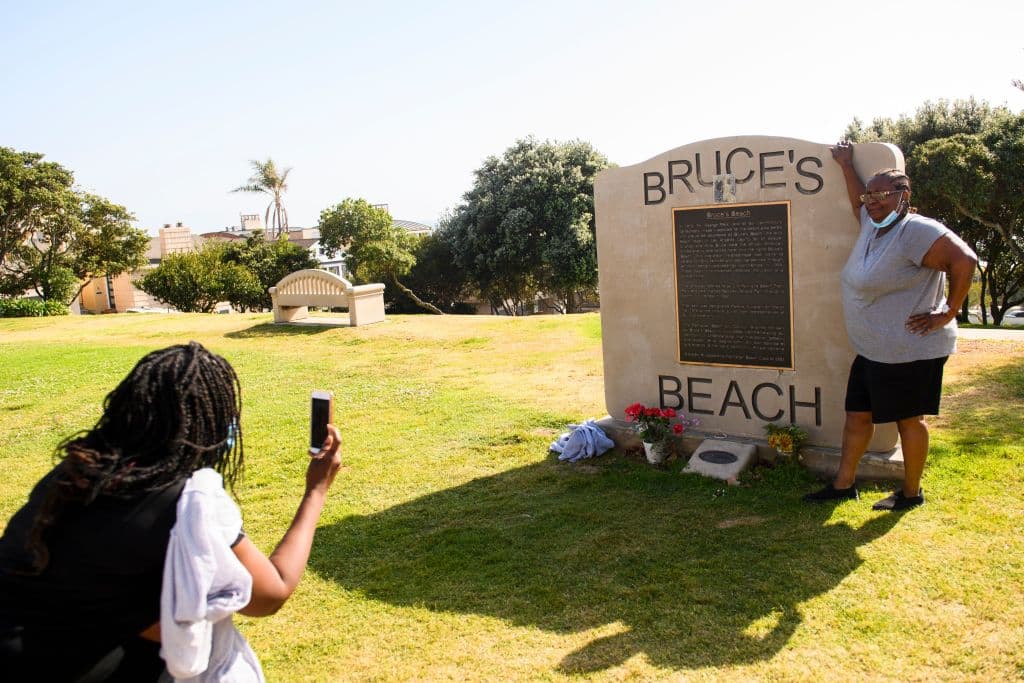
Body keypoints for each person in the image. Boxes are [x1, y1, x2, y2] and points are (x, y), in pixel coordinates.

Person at [0, 342, 342, 680]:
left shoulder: (72, 474)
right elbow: (271, 593)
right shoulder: (184, 501)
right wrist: (316, 490)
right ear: (206, 427)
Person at [804, 142, 977, 511]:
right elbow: (857, 205)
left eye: (882, 194)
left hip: (908, 349)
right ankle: (843, 485)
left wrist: (948, 312)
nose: (873, 201)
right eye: (871, 195)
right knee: (857, 416)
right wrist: (846, 165)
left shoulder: (916, 231)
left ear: (904, 195)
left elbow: (965, 260)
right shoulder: (873, 224)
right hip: (873, 349)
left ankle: (911, 493)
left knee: (908, 421)